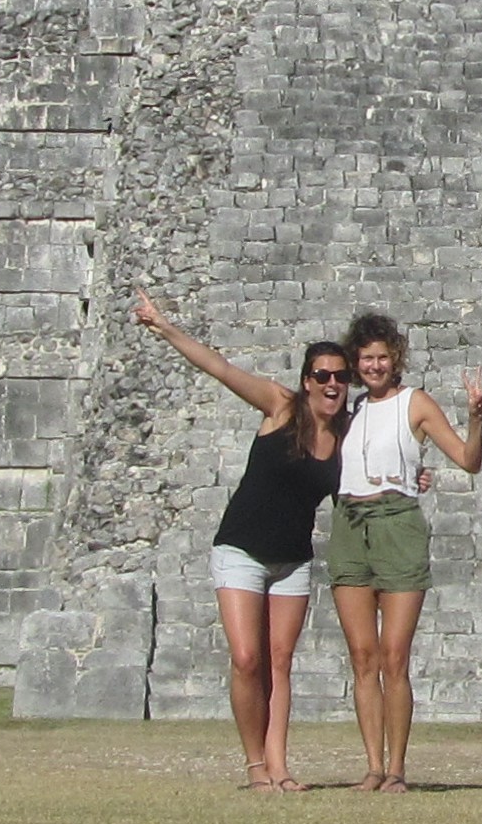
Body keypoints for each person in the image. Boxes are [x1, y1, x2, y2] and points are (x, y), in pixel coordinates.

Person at [132, 295, 347, 790]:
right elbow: (221, 369)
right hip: (241, 549)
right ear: (306, 380)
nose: (332, 384)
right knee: (247, 658)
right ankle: (254, 765)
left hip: (292, 560)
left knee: (280, 663)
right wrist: (165, 327)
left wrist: (413, 478)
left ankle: (279, 765)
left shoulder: (344, 437)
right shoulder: (280, 406)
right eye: (322, 375)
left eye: (339, 376)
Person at [329, 310, 482, 792]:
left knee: (394, 656)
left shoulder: (414, 403)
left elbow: (468, 460)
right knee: (362, 657)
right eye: (366, 358)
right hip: (350, 525)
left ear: (395, 359)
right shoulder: (348, 411)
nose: (374, 366)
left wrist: (476, 418)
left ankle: (397, 769)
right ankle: (372, 766)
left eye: (382, 357)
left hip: (397, 524)